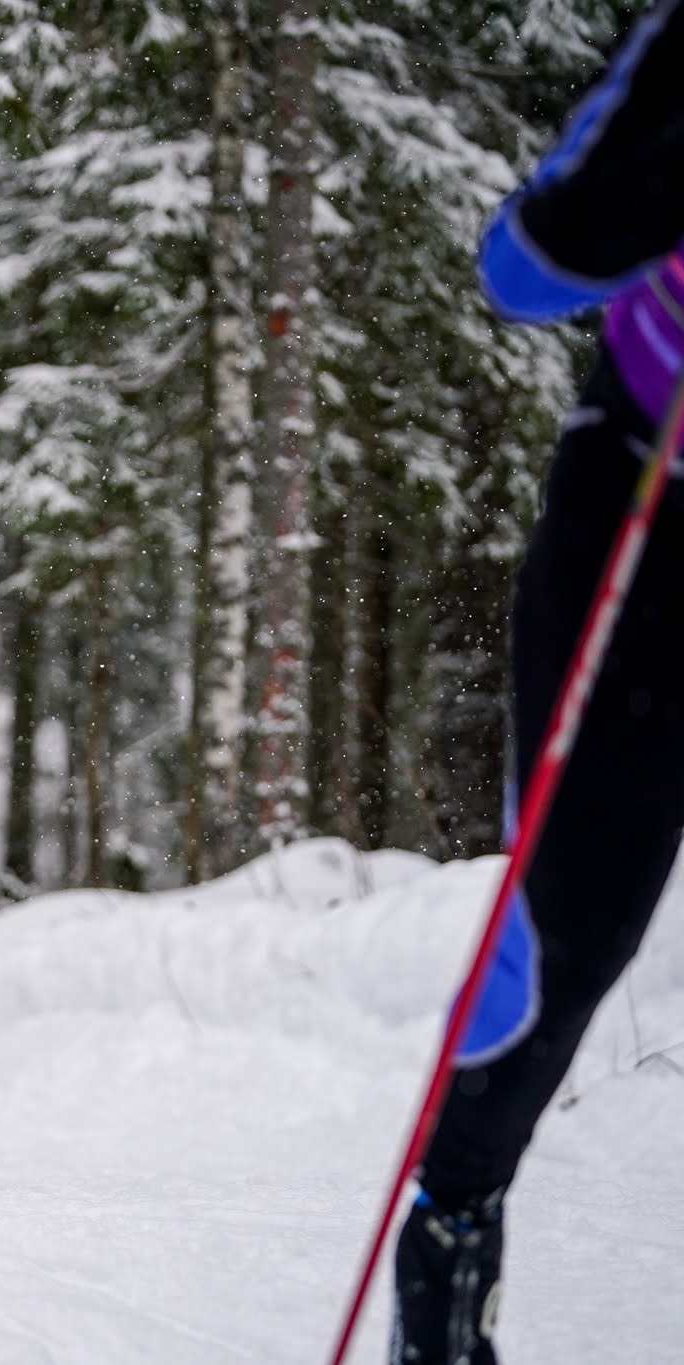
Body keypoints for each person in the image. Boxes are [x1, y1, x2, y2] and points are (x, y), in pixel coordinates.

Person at [394, 10, 684, 1362]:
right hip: (646, 502)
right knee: (568, 934)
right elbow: (519, 265)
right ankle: (449, 1263)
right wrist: (636, 203)